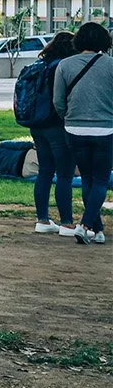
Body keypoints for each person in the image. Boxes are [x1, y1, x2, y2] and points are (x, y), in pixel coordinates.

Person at [54, 21, 113, 245]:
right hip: (105, 128)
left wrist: (68, 117)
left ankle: (97, 230)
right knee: (100, 180)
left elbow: (58, 101)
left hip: (73, 129)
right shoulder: (110, 65)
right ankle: (85, 224)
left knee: (87, 178)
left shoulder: (65, 65)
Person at [22, 32, 78, 234]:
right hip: (57, 124)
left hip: (37, 124)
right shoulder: (63, 67)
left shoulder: (39, 66)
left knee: (45, 171)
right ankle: (66, 221)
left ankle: (43, 219)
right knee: (65, 173)